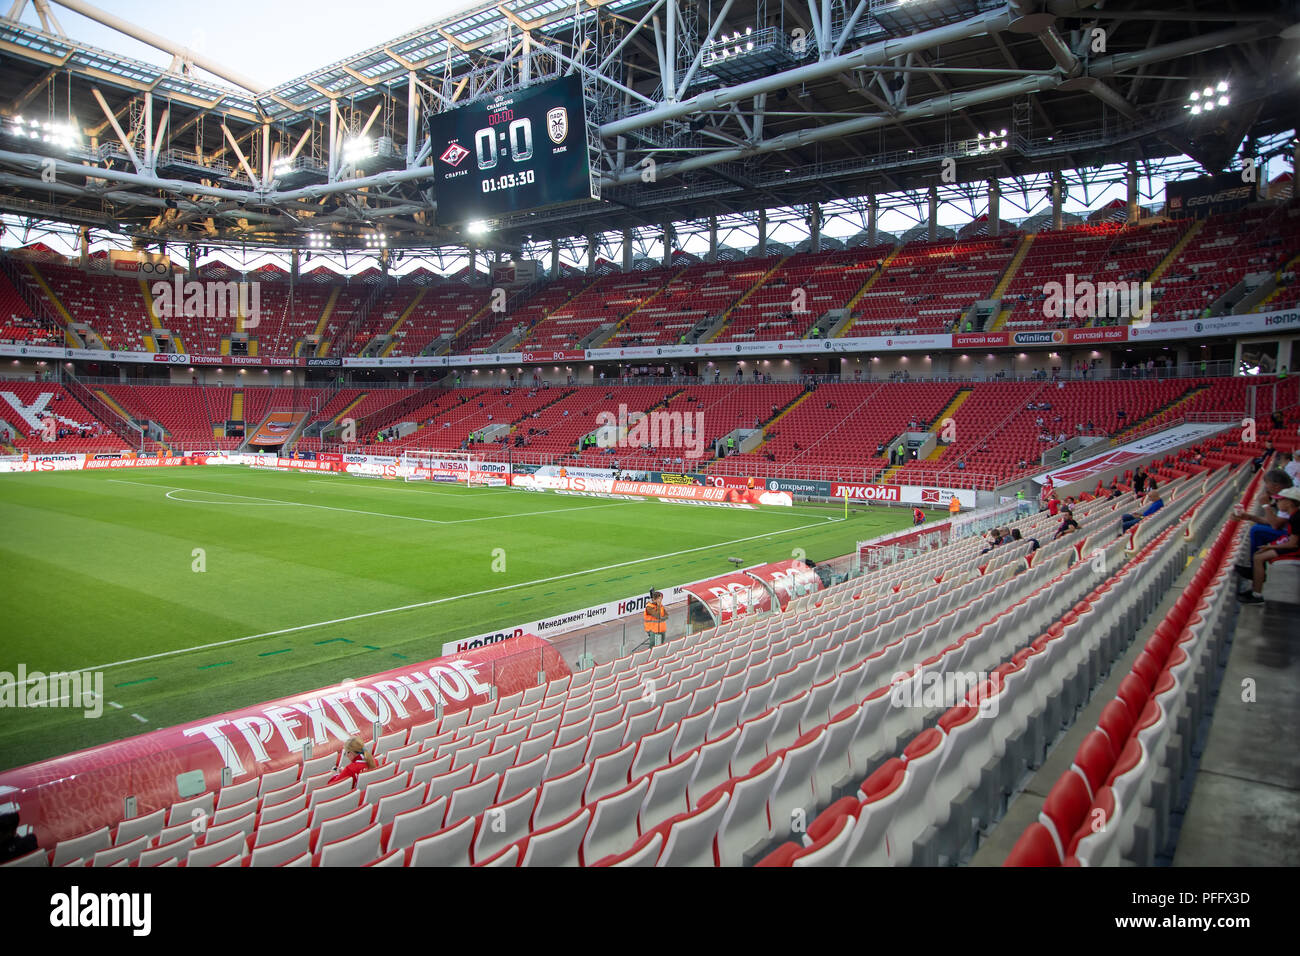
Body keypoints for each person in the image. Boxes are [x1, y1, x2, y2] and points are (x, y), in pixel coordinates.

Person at [1239, 487, 1300, 604]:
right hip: (1292, 546)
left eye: (1279, 500)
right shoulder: (1293, 515)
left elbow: (1293, 544)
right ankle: (1255, 591)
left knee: (1258, 557)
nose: (1276, 503)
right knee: (1259, 555)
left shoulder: (1297, 518)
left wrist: (1271, 547)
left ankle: (1256, 595)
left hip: (1296, 551)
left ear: (1289, 502)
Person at [1232, 468, 1294, 561]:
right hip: (1289, 532)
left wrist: (1266, 505)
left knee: (1257, 530)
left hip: (1292, 538)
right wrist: (1249, 517)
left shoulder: (1287, 498)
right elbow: (1274, 521)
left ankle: (1255, 565)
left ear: (1276, 486)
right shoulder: (1285, 494)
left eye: (1267, 483)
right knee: (1258, 526)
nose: (1266, 487)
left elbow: (1276, 525)